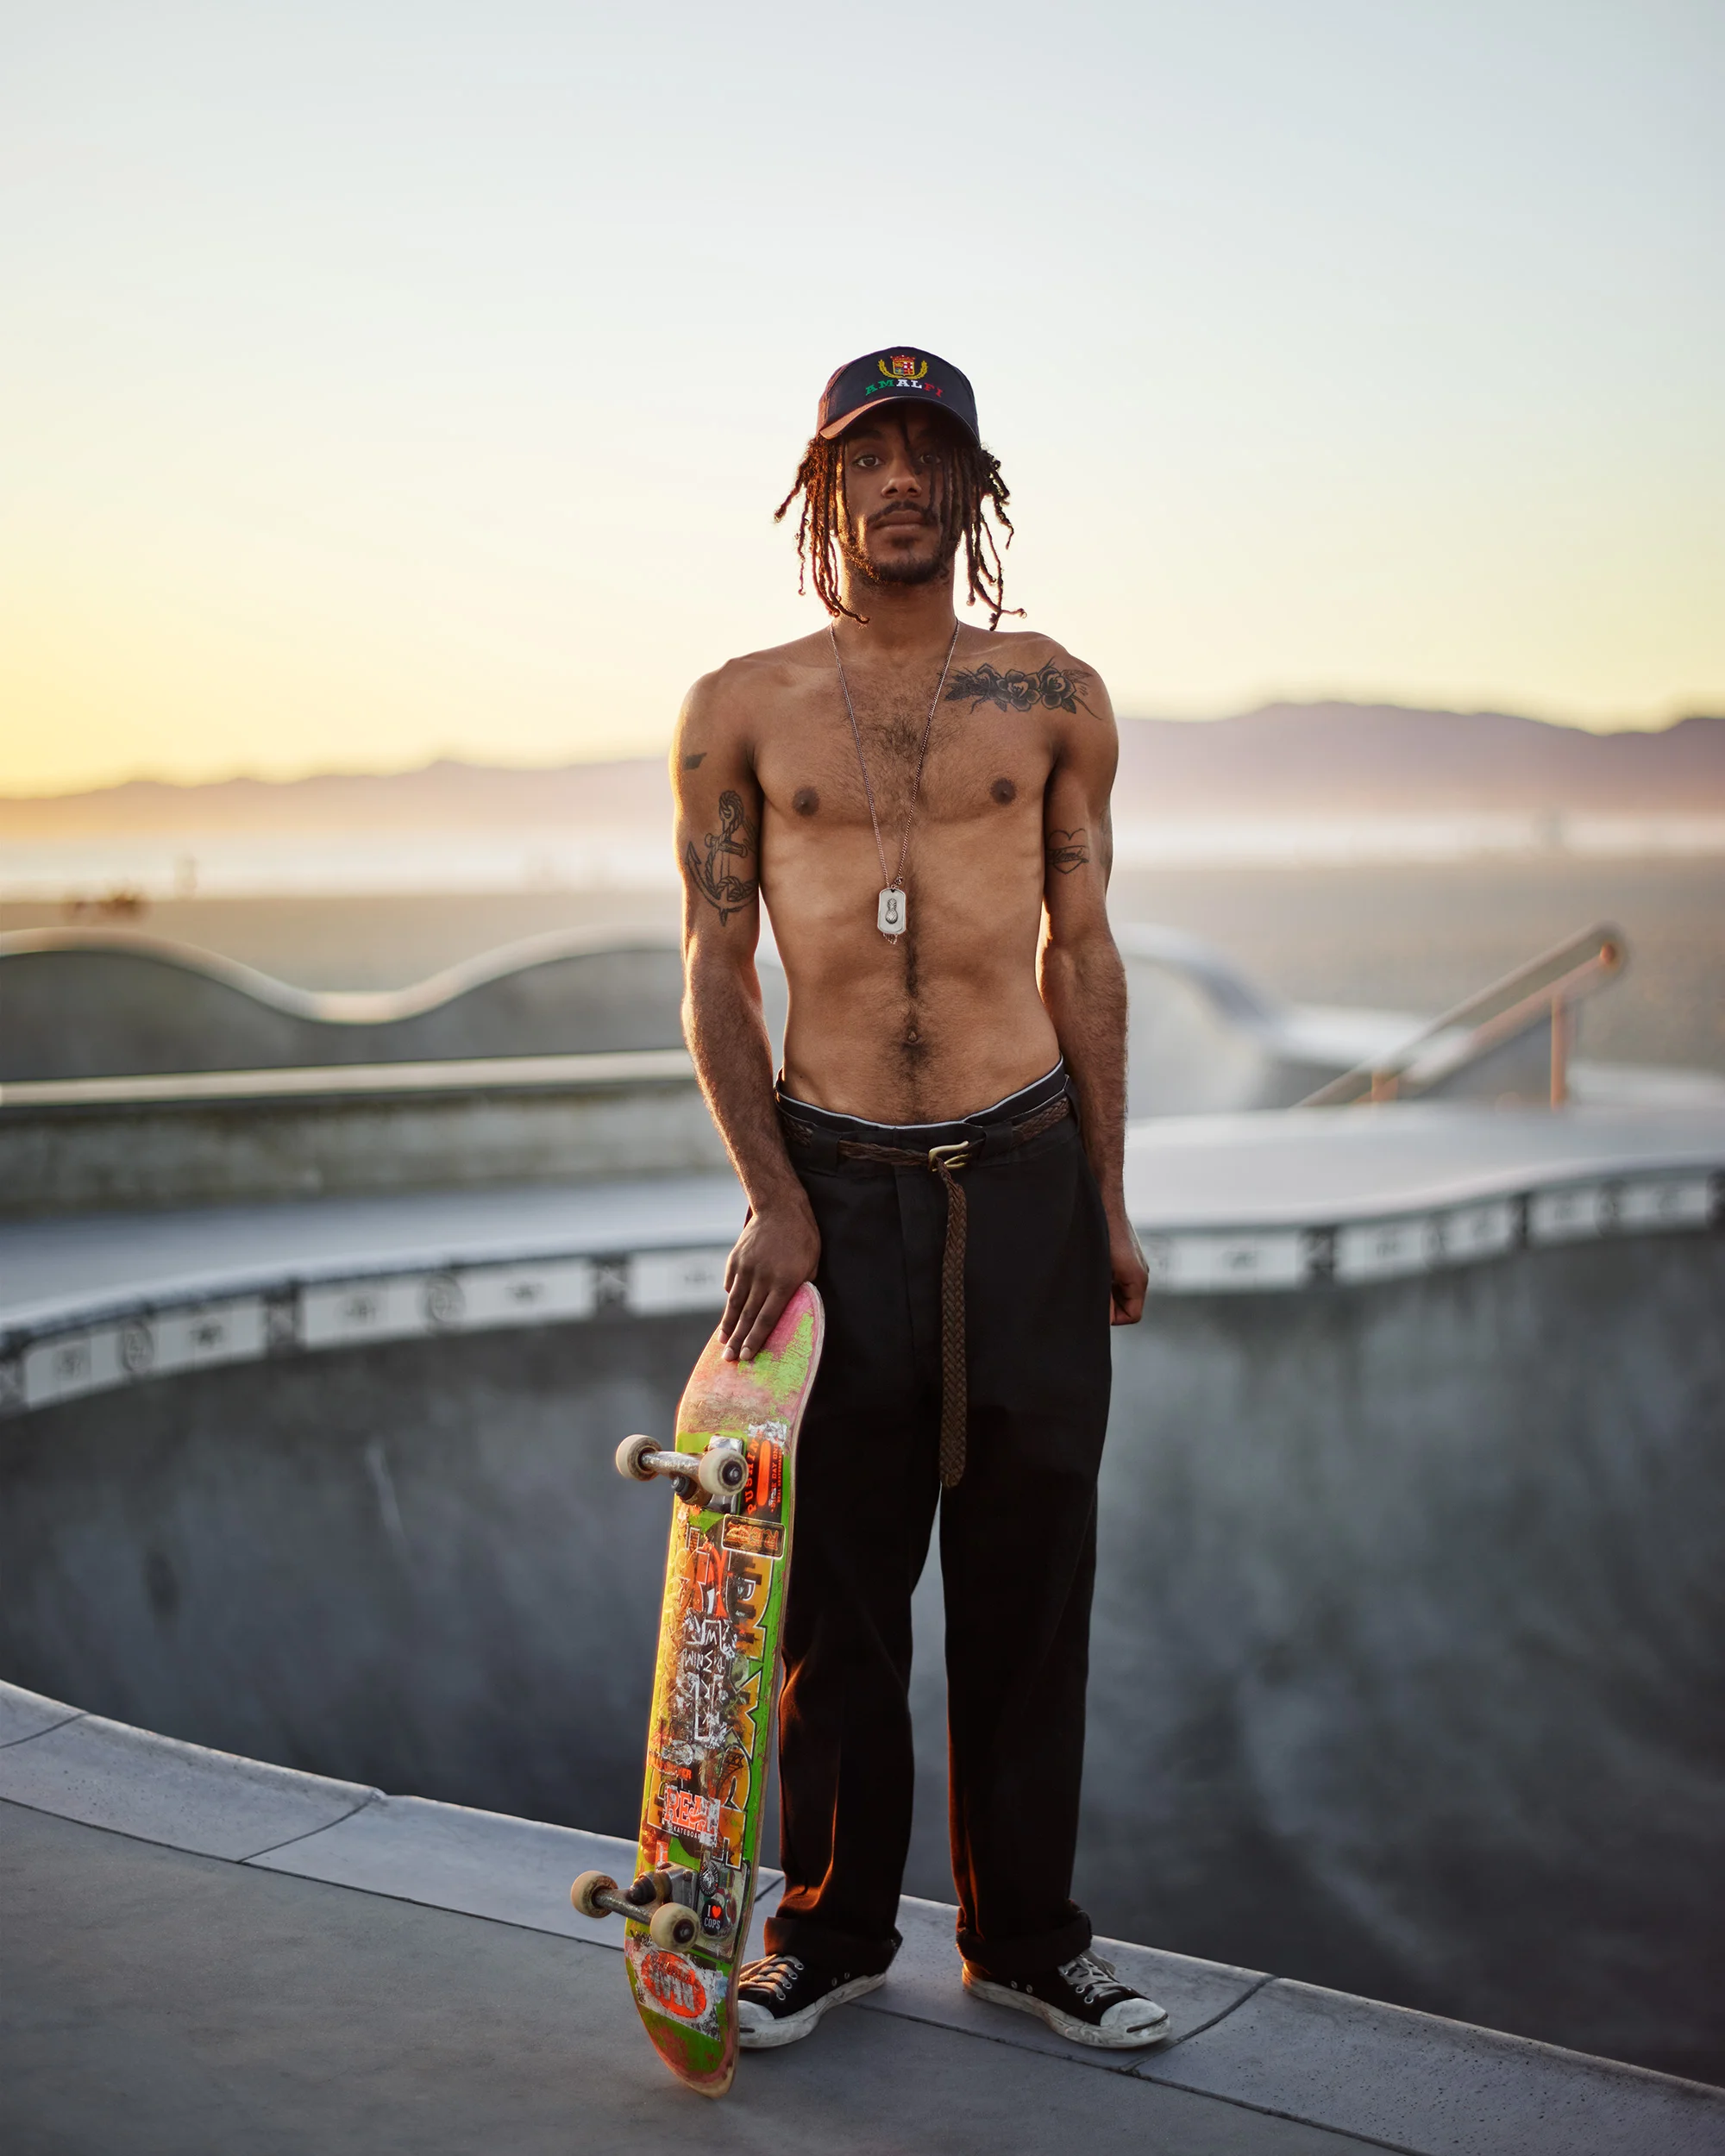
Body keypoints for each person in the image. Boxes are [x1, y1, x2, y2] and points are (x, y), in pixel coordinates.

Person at [673, 346, 1164, 2052]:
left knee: (1032, 1586)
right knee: (838, 1597)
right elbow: (713, 967)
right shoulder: (740, 706)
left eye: (928, 453)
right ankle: (829, 1931)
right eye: (867, 453)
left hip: (1022, 1178)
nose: (899, 479)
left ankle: (1026, 1938)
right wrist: (771, 1196)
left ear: (973, 487)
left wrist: (1106, 1198)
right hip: (837, 1187)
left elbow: (1081, 950)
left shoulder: (1052, 694)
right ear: (825, 487)